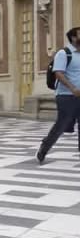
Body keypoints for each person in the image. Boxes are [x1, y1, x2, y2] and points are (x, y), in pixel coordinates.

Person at [37, 27, 80, 164]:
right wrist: (73, 88)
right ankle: (44, 148)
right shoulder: (64, 53)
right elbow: (59, 73)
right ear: (73, 37)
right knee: (62, 124)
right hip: (66, 95)